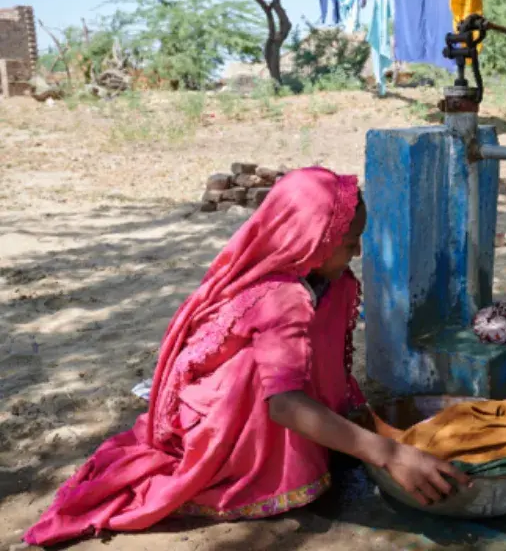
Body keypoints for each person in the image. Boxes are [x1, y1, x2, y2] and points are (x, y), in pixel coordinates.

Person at [23, 168, 471, 547]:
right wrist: (387, 453)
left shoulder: (334, 283)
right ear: (312, 238)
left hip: (272, 397)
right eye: (349, 240)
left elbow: (324, 361)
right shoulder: (280, 297)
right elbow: (284, 403)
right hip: (235, 420)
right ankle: (264, 467)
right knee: (271, 388)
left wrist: (361, 424)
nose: (356, 251)